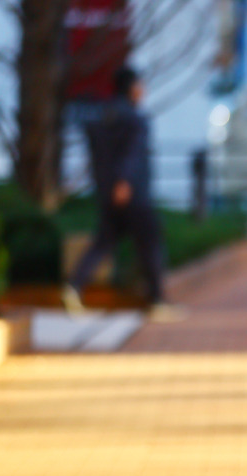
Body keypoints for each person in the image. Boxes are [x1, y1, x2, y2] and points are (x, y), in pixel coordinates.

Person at [62, 66, 182, 321]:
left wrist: (106, 184)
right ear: (130, 87)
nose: (143, 91)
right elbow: (132, 154)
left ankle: (73, 287)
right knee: (150, 242)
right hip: (133, 192)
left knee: (104, 242)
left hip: (106, 191)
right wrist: (124, 182)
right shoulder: (136, 120)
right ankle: (157, 301)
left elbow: (95, 153)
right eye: (140, 85)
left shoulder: (101, 118)